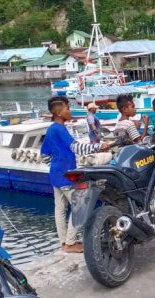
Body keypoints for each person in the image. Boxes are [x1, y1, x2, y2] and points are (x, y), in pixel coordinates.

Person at [41, 96, 109, 253]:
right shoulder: (59, 128)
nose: (69, 111)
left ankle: (64, 242)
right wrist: (99, 147)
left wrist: (56, 162)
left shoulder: (51, 129)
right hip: (66, 175)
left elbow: (44, 155)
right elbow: (77, 148)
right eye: (67, 108)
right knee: (80, 206)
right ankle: (70, 243)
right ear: (59, 112)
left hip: (55, 175)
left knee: (59, 209)